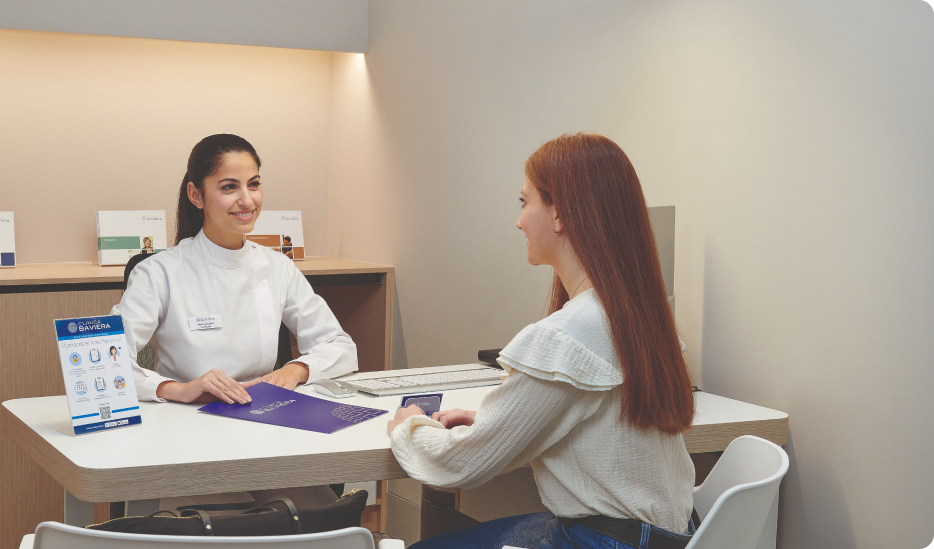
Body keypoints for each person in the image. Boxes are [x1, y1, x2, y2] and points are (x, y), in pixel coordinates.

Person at [386, 133, 696, 549]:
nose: (518, 220)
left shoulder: (566, 333)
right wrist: (501, 425)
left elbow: (461, 465)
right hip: (666, 536)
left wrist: (411, 429)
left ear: (560, 214)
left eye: (524, 202)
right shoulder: (636, 319)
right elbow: (601, 430)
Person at [111, 133, 357, 404]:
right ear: (196, 195)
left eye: (253, 185)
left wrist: (296, 369)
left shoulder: (277, 267)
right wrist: (177, 389)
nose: (248, 201)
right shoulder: (158, 273)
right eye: (229, 187)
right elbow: (108, 358)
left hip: (262, 413)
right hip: (184, 418)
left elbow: (339, 346)